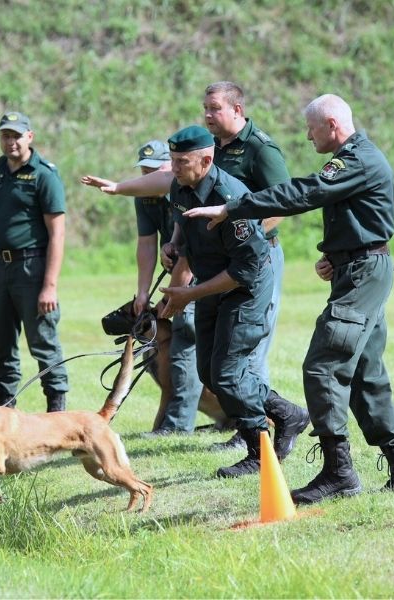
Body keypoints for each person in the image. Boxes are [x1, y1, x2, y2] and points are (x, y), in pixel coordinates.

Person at [183, 94, 394, 502]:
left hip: (364, 274)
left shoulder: (355, 159)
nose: (306, 135)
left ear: (331, 124)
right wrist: (337, 257)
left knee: (323, 366)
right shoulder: (357, 159)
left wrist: (237, 207)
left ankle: (339, 474)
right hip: (359, 270)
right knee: (365, 372)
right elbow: (358, 217)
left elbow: (304, 193)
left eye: (311, 127)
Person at [84, 126, 295, 478]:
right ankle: (287, 413)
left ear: (206, 160)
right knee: (208, 371)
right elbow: (174, 207)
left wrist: (188, 295)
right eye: (174, 161)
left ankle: (259, 449)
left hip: (244, 288)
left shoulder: (232, 198)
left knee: (228, 374)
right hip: (212, 283)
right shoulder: (183, 185)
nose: (174, 169)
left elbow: (245, 271)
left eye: (181, 162)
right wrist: (174, 242)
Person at [194, 81, 308, 452]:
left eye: (215, 108)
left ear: (237, 110)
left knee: (247, 349)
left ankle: (260, 431)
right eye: (206, 109)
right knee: (218, 359)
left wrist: (249, 238)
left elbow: (284, 203)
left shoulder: (260, 148)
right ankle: (250, 427)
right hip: (221, 261)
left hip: (258, 258)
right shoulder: (213, 148)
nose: (208, 115)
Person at [0, 112, 69, 412]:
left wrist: (49, 286)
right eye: (5, 136)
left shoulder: (44, 175)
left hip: (32, 268)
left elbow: (57, 233)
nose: (10, 142)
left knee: (43, 344)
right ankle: (4, 413)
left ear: (30, 137)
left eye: (16, 135)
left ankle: (57, 413)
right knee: (1, 347)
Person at [129, 140, 204, 436]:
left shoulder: (186, 189)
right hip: (179, 267)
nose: (148, 178)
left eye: (153, 171)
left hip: (199, 269)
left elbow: (191, 249)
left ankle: (176, 426)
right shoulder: (145, 195)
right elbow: (146, 244)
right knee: (156, 338)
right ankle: (172, 421)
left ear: (170, 166)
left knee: (186, 336)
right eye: (143, 172)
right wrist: (143, 292)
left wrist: (173, 295)